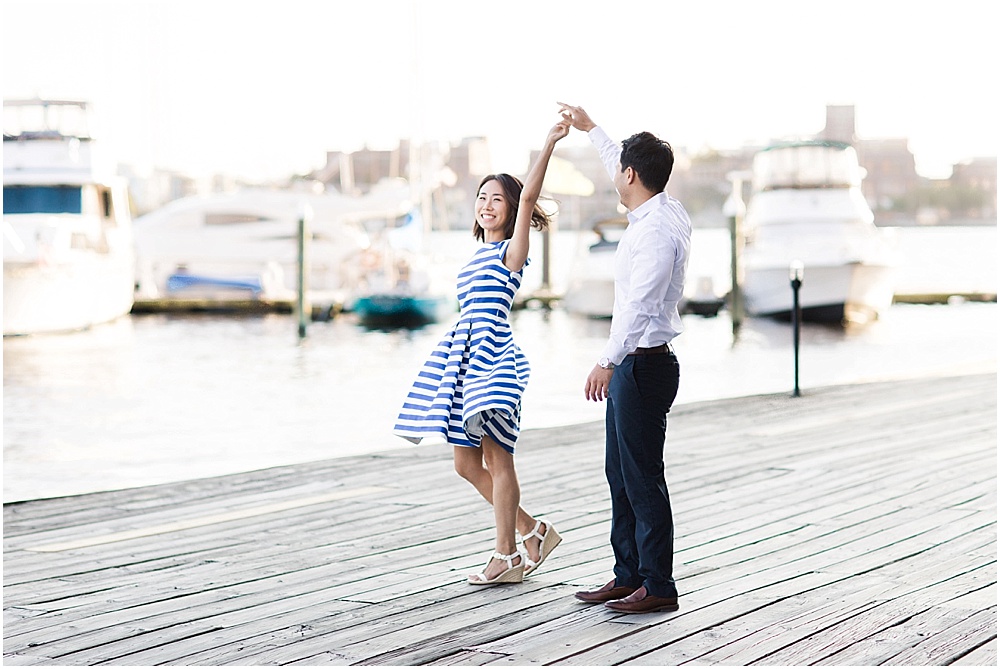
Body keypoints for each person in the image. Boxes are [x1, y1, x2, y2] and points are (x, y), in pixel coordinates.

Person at [393, 119, 568, 586]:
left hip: (493, 360)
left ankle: (507, 556)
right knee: (466, 463)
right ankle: (534, 531)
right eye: (482, 198)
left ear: (512, 210)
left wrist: (548, 142)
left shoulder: (513, 251)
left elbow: (531, 197)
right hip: (465, 362)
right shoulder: (474, 256)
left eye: (498, 199)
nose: (487, 205)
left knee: (498, 459)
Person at [558, 102, 691, 614]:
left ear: (631, 176)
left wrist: (607, 361)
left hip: (642, 364)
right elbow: (622, 157)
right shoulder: (660, 208)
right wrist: (593, 130)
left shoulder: (656, 231)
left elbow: (641, 305)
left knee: (642, 479)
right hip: (636, 365)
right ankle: (628, 575)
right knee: (620, 473)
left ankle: (658, 586)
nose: (616, 171)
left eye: (621, 168)